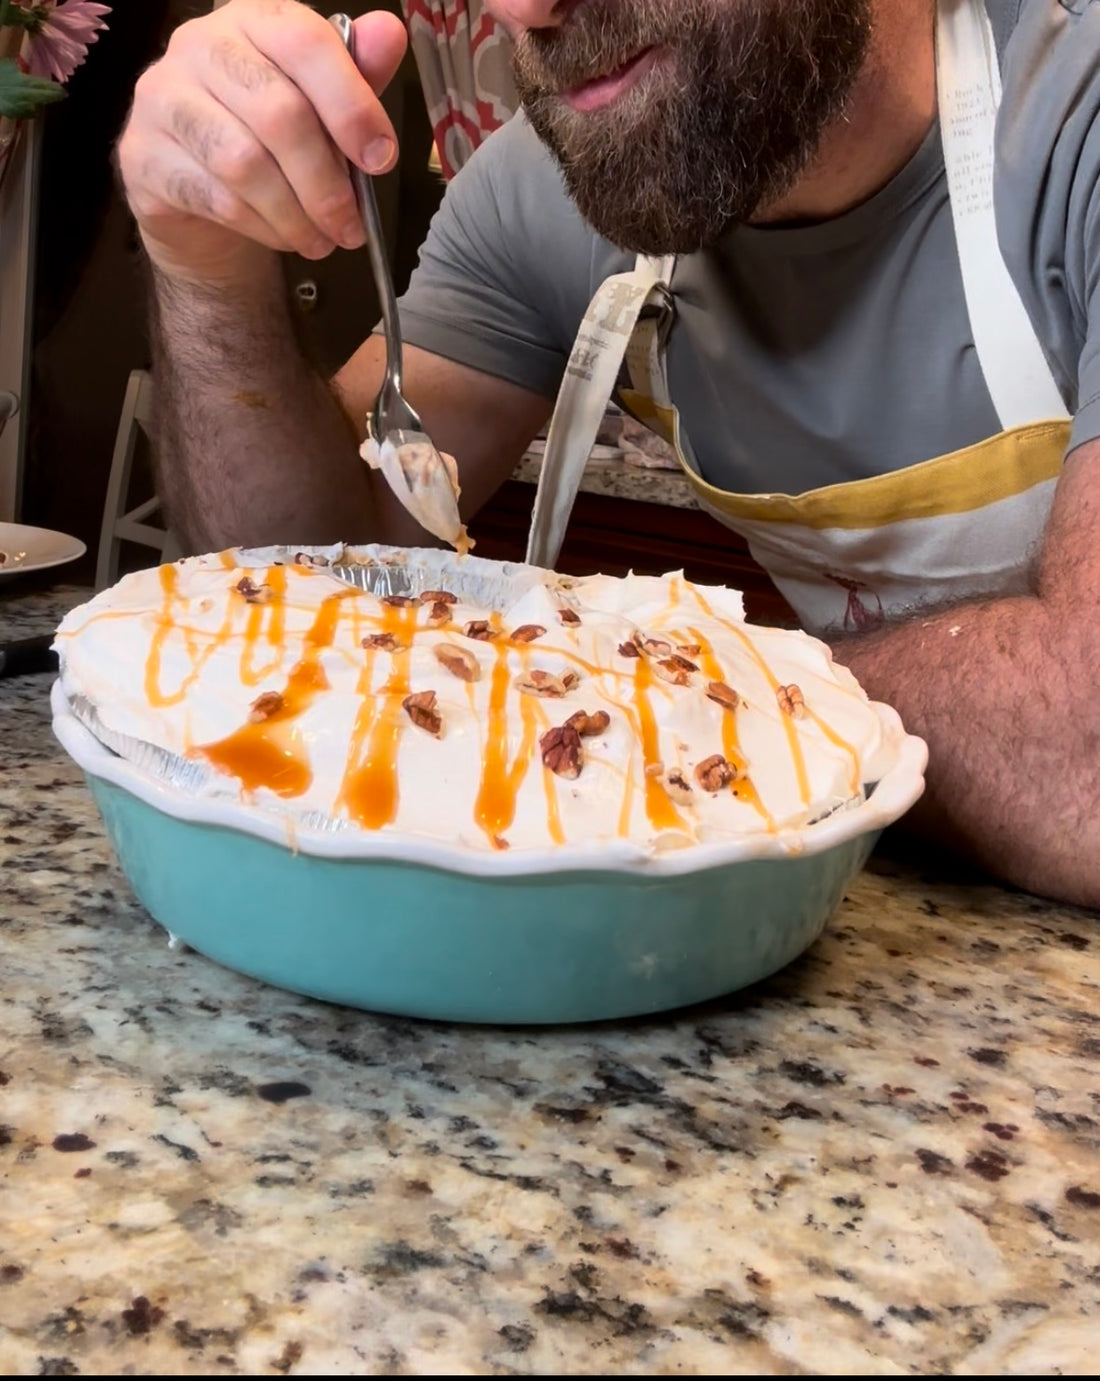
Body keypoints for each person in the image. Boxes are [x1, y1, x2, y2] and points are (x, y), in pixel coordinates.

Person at [115, 0, 1100, 910]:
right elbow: (296, 592)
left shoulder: (1069, 109)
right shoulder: (556, 187)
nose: (522, 8)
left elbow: (1082, 755)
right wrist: (207, 269)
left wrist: (644, 692)